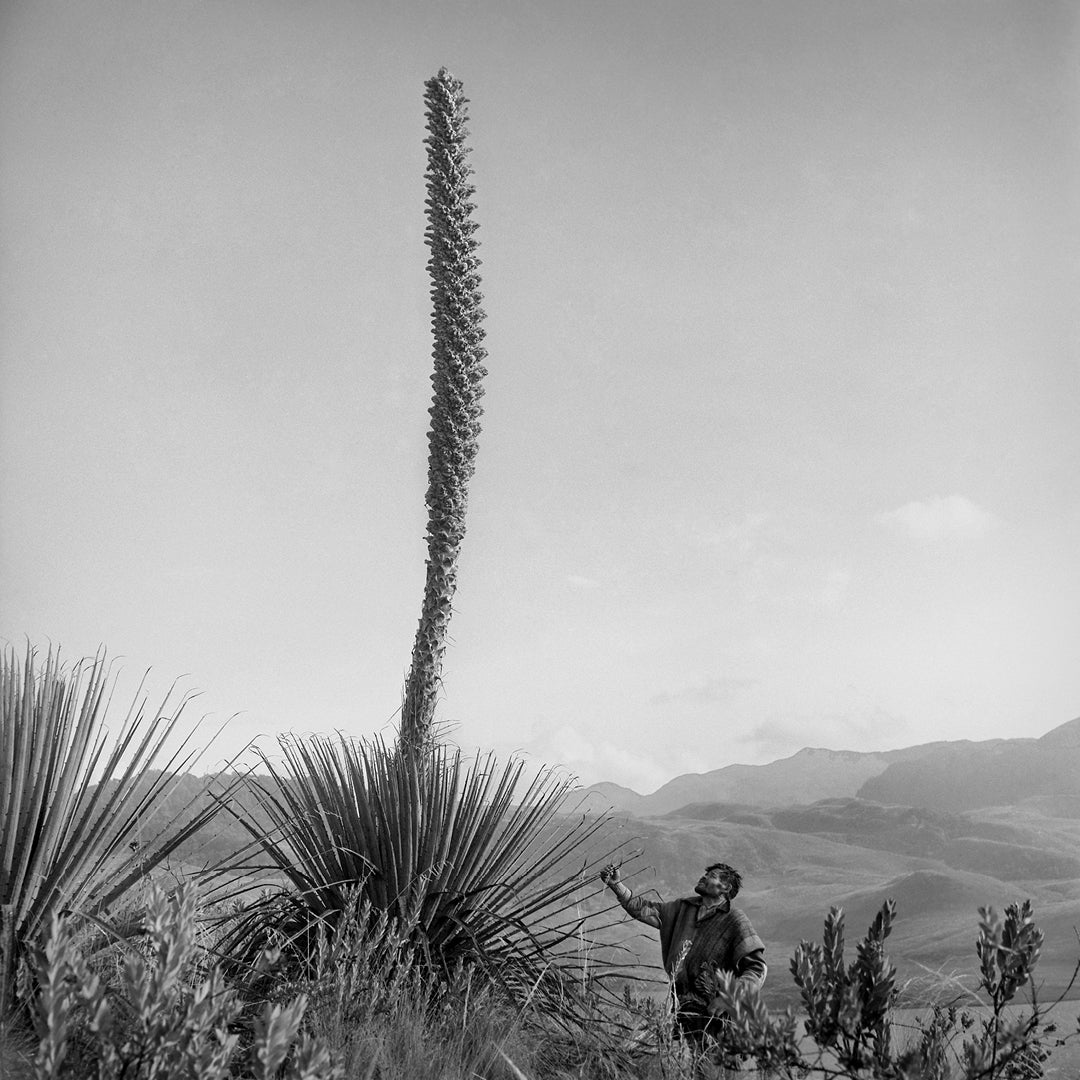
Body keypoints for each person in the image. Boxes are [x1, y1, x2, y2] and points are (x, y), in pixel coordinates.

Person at [600, 861, 766, 1072]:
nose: (704, 877)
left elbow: (757, 969)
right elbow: (645, 910)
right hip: (684, 1009)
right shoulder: (682, 909)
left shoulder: (735, 920)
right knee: (693, 1069)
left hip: (720, 1017)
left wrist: (729, 998)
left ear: (726, 888)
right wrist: (617, 885)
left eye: (712, 875)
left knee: (717, 1073)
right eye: (705, 874)